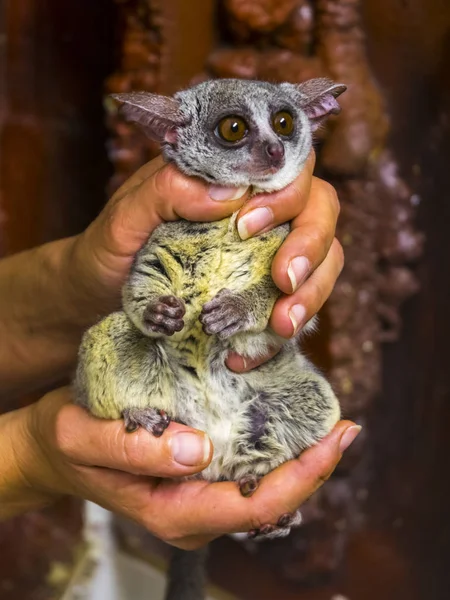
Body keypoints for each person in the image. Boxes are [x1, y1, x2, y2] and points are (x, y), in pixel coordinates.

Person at [0, 151, 360, 549]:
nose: (267, 150)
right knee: (109, 339)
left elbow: (289, 320)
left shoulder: (265, 222)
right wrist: (27, 454)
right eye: (234, 134)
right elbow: (141, 295)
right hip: (166, 388)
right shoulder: (177, 225)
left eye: (283, 127)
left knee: (318, 405)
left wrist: (255, 305)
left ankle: (259, 470)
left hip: (247, 397)